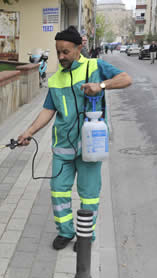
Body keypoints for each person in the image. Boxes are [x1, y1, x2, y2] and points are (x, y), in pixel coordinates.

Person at [18, 26, 132, 250]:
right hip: (63, 146)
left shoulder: (95, 66)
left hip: (91, 145)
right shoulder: (55, 79)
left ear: (79, 48)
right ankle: (66, 231)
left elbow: (126, 79)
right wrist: (29, 132)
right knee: (58, 191)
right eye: (58, 52)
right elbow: (48, 110)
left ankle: (85, 236)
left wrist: (101, 85)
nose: (61, 57)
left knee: (88, 195)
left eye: (66, 52)